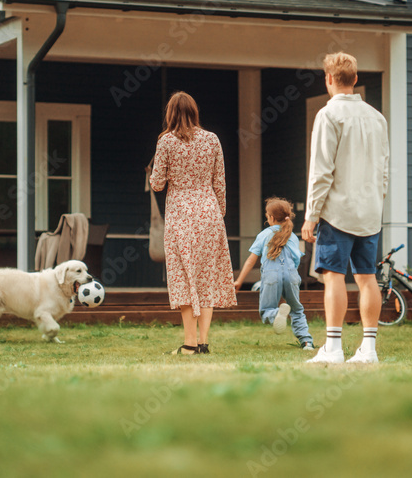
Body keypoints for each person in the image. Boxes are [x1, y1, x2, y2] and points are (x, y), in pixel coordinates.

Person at [302, 52, 389, 364]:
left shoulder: (328, 115)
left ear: (328, 80)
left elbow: (321, 171)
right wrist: (377, 203)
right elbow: (384, 171)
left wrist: (311, 215)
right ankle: (369, 349)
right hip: (370, 213)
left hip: (337, 212)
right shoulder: (378, 118)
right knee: (367, 278)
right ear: (355, 80)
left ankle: (334, 348)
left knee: (334, 276)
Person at [150, 91, 236, 355]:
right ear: (195, 112)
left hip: (180, 215)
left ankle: (189, 344)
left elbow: (156, 183)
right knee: (205, 278)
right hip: (209, 214)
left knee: (184, 278)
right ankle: (204, 343)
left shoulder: (166, 142)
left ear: (170, 114)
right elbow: (220, 182)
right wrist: (218, 214)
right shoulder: (212, 139)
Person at [234, 197, 314, 350]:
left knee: (266, 310)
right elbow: (297, 260)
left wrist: (239, 281)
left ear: (270, 218)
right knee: (297, 310)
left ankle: (276, 314)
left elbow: (251, 260)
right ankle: (306, 342)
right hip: (291, 275)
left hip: (271, 275)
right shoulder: (292, 237)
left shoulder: (264, 235)